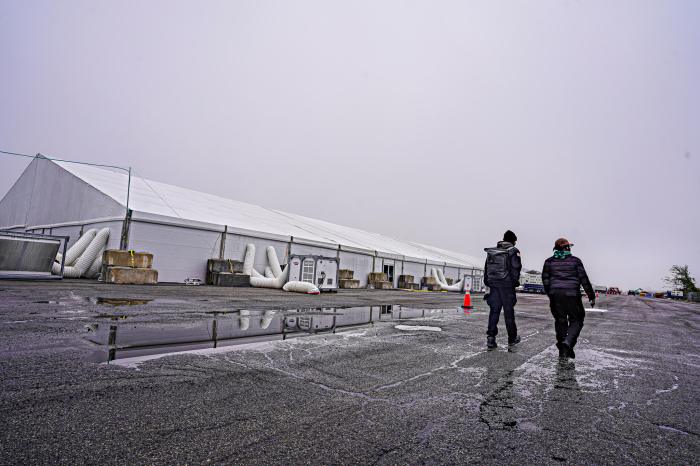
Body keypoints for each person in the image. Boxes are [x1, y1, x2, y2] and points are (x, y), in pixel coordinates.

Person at [541, 238, 595, 359]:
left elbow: (545, 279)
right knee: (577, 319)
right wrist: (591, 296)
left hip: (556, 295)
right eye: (568, 247)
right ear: (566, 248)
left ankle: (563, 349)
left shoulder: (549, 262)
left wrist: (551, 294)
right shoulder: (575, 261)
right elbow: (584, 279)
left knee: (560, 320)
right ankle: (568, 343)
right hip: (572, 295)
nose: (570, 249)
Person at [483, 230, 522, 349]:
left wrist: (488, 283)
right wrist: (514, 283)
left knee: (494, 312)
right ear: (513, 241)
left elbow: (486, 269)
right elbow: (516, 268)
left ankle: (491, 339)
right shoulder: (514, 251)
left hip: (493, 285)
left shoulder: (493, 251)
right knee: (509, 313)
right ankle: (512, 338)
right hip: (506, 287)